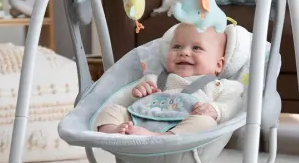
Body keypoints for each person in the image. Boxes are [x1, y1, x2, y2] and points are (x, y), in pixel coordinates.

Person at [96, 23, 244, 136]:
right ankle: (114, 133)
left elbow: (234, 105)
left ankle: (162, 137)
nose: (184, 52)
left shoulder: (219, 85)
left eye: (196, 48)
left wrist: (215, 110)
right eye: (177, 47)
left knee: (206, 123)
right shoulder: (154, 79)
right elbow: (130, 103)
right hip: (140, 121)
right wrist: (137, 93)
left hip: (182, 129)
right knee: (112, 110)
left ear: (218, 65)